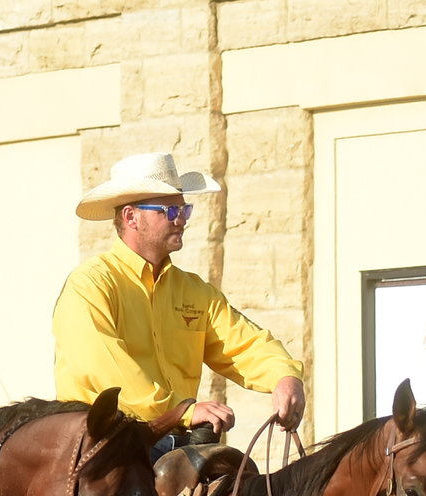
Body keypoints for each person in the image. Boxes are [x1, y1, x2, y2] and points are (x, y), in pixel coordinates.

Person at [53, 152, 306, 454]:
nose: (181, 220)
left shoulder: (194, 291)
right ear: (131, 216)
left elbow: (243, 343)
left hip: (174, 445)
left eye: (184, 209)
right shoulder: (91, 284)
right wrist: (183, 412)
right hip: (103, 448)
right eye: (169, 210)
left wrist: (284, 375)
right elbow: (106, 372)